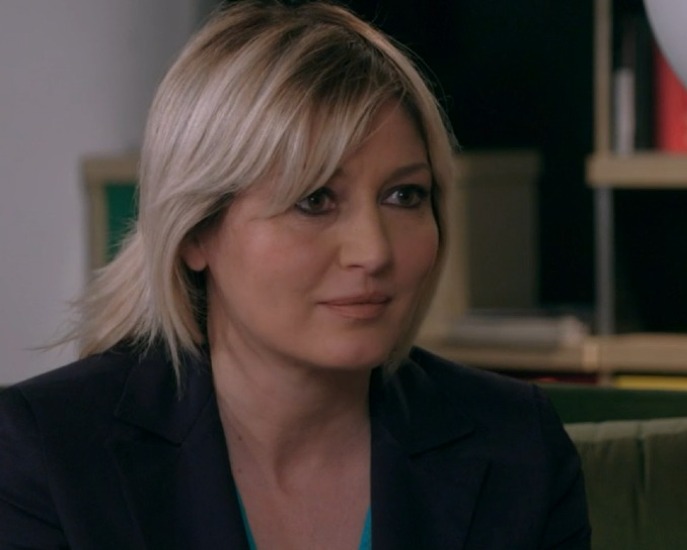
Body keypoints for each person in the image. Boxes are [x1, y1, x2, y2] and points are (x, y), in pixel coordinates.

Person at [0, 1, 590, 548]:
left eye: (405, 195)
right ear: (196, 233)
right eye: (314, 200)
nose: (373, 252)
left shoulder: (519, 447)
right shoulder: (45, 454)